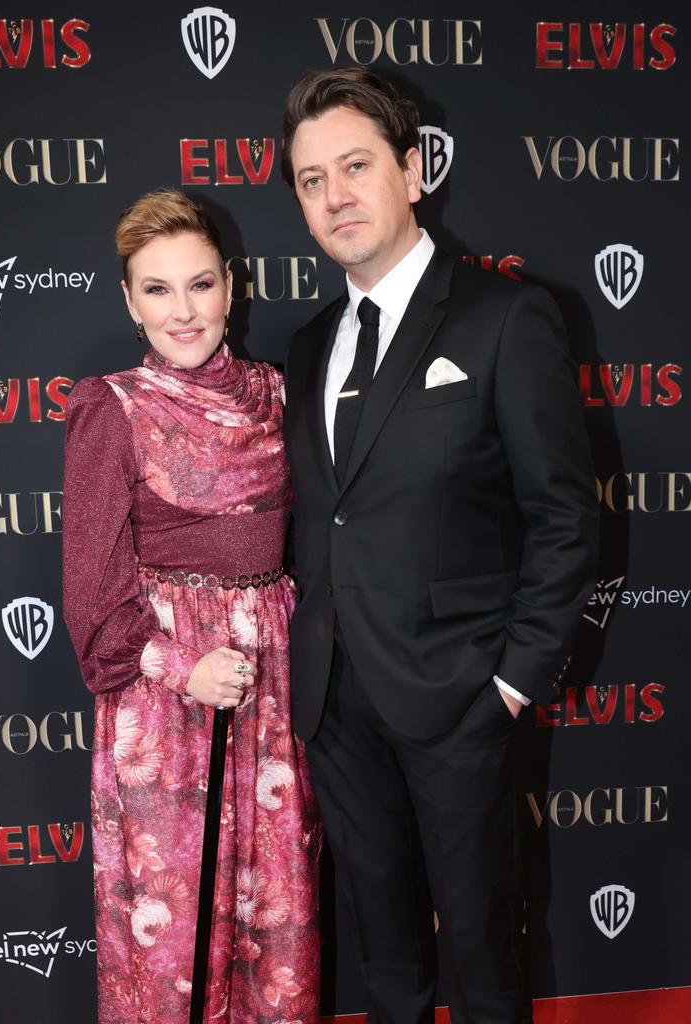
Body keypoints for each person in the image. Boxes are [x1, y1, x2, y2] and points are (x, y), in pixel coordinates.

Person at [280, 68, 598, 1024]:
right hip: (336, 705)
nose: (334, 195)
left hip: (461, 699)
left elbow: (564, 513)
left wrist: (511, 681)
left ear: (413, 171)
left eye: (355, 166)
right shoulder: (305, 348)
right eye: (308, 180)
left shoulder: (507, 319)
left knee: (482, 955)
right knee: (384, 958)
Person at [62, 189, 320, 1024]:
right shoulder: (114, 406)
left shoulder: (280, 395)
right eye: (159, 290)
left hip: (271, 685)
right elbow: (91, 588)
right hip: (168, 697)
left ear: (231, 287)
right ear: (129, 302)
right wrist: (184, 666)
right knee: (174, 923)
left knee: (273, 912)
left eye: (200, 285)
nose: (184, 311)